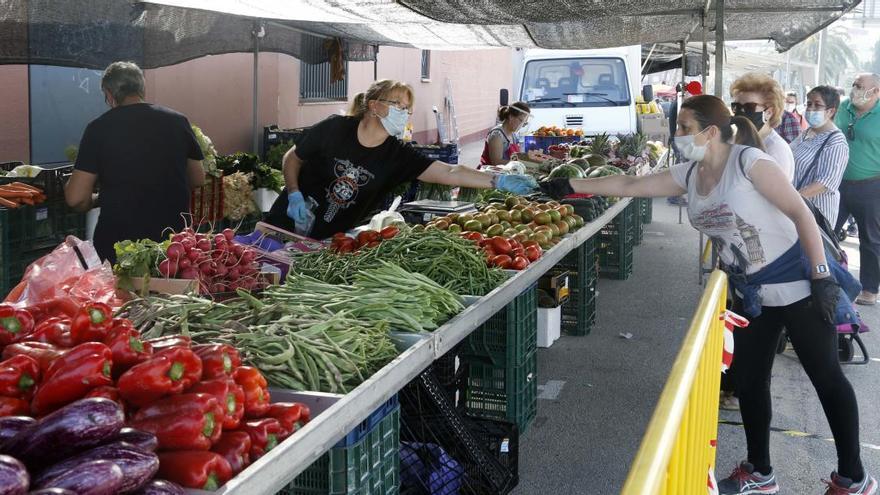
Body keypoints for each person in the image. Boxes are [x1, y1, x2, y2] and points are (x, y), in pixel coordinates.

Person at [540, 94, 875, 495]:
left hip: (800, 284)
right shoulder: (690, 174)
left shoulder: (750, 162)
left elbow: (801, 213)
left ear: (711, 131)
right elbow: (629, 183)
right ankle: (760, 472)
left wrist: (821, 277)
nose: (677, 135)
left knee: (825, 377)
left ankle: (854, 478)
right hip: (751, 292)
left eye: (684, 128)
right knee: (749, 381)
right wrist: (570, 184)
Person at [265, 79, 536, 239]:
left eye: (407, 109)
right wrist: (293, 194)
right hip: (282, 226)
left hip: (326, 240)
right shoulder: (336, 128)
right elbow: (293, 158)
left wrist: (498, 180)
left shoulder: (397, 155)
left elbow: (451, 173)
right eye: (398, 105)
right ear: (374, 105)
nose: (404, 113)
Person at [65, 61, 206, 262]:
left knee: (121, 294)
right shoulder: (178, 121)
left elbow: (76, 198)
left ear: (109, 94)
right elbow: (198, 178)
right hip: (173, 246)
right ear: (142, 88)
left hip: (120, 248)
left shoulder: (98, 128)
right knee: (170, 293)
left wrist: (96, 199)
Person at [834, 73, 880, 306]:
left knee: (870, 240)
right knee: (826, 231)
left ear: (876, 92)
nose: (855, 90)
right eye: (853, 85)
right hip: (837, 183)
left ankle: (870, 290)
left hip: (871, 186)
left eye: (860, 87)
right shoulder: (844, 108)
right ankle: (826, 279)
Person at [790, 86, 849, 227]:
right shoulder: (806, 133)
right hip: (796, 210)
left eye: (817, 105)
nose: (810, 109)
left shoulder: (836, 141)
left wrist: (791, 200)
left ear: (831, 111)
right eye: (809, 104)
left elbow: (824, 183)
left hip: (815, 215)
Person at [730, 73, 795, 181]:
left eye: (749, 107)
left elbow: (776, 196)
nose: (741, 112)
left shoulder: (776, 150)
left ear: (769, 112)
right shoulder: (736, 140)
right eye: (736, 107)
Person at [480, 102, 530, 167]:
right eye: (521, 120)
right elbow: (496, 162)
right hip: (490, 174)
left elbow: (516, 157)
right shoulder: (497, 135)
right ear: (511, 117)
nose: (522, 125)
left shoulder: (513, 135)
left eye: (524, 123)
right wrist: (520, 164)